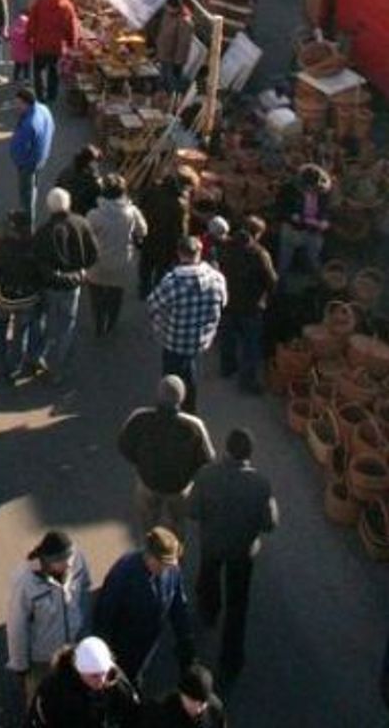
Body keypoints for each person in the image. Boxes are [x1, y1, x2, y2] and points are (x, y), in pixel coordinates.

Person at [187, 426, 278, 683]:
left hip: (212, 543)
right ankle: (231, 659)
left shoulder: (206, 475)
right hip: (242, 550)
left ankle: (208, 610)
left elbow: (192, 511)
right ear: (250, 454)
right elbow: (269, 523)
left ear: (226, 448)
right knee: (238, 604)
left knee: (209, 578)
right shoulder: (260, 483)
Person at [94, 528, 195, 691]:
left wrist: (186, 643)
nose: (165, 568)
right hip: (124, 647)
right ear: (148, 555)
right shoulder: (124, 572)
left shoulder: (172, 570)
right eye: (162, 563)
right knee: (127, 687)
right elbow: (105, 613)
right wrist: (105, 654)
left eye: (169, 564)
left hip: (149, 645)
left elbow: (178, 607)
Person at [5, 530, 92, 711]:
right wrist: (20, 665)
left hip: (73, 650)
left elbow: (84, 592)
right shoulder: (25, 583)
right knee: (40, 703)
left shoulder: (78, 561)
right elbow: (17, 628)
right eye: (62, 560)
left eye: (70, 557)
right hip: (43, 659)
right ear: (48, 560)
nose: (69, 564)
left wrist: (85, 635)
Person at [118, 376, 215, 537]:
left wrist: (140, 464)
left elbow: (124, 445)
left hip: (148, 482)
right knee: (178, 522)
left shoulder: (140, 417)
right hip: (179, 487)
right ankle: (175, 552)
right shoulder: (194, 425)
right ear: (182, 398)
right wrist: (189, 474)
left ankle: (151, 549)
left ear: (158, 394)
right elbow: (208, 457)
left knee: (149, 521)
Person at [147, 237, 227, 414]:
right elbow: (223, 302)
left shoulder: (172, 282)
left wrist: (160, 322)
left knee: (173, 375)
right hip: (201, 338)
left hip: (173, 339)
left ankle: (173, 407)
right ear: (200, 253)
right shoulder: (217, 279)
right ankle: (190, 407)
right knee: (191, 367)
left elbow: (153, 305)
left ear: (179, 253)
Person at [31, 187, 98, 383]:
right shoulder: (81, 224)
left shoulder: (43, 232)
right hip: (73, 283)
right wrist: (82, 270)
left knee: (46, 321)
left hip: (50, 285)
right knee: (67, 325)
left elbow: (37, 262)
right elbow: (93, 254)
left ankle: (37, 356)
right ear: (68, 204)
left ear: (49, 207)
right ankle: (57, 369)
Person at [217, 216, 276, 392]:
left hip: (227, 301)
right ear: (257, 233)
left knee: (228, 337)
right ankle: (247, 381)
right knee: (250, 345)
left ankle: (227, 368)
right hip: (251, 305)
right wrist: (268, 297)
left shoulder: (225, 246)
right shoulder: (259, 253)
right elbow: (271, 280)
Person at [25, 638, 140, 728]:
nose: (101, 680)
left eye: (104, 673)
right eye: (94, 676)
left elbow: (132, 716)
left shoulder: (118, 684)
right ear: (79, 671)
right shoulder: (54, 690)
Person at [86, 174, 147, 337]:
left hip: (97, 264)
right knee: (116, 297)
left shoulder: (94, 214)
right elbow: (143, 231)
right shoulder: (132, 212)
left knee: (96, 298)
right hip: (122, 262)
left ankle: (99, 324)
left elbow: (86, 236)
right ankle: (111, 323)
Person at [0, 211, 43, 384]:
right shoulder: (35, 245)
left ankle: (0, 362)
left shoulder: (3, 247)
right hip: (28, 297)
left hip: (6, 296)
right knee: (21, 332)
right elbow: (41, 272)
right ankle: (17, 363)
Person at [139, 167, 197, 298]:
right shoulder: (179, 203)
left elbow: (141, 204)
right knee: (161, 269)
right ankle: (157, 294)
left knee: (146, 265)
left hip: (148, 234)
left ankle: (144, 290)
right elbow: (182, 230)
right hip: (166, 243)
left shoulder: (153, 188)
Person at [26, 0, 79, 105]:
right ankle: (52, 94)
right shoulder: (67, 4)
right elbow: (71, 26)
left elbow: (32, 21)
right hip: (57, 45)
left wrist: (28, 37)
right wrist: (72, 42)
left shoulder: (40, 1)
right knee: (53, 70)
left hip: (40, 42)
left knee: (38, 70)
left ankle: (39, 94)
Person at [9, 86, 55, 231]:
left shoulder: (29, 124)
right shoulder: (43, 109)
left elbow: (21, 148)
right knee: (32, 186)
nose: (15, 107)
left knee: (27, 193)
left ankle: (28, 226)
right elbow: (52, 127)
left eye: (18, 103)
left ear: (26, 103)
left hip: (28, 164)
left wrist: (19, 161)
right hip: (40, 158)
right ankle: (24, 215)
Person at [274, 162, 332, 277]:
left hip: (314, 230)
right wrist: (292, 217)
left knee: (315, 258)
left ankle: (317, 280)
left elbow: (326, 210)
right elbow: (281, 208)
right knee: (284, 260)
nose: (310, 189)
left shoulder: (324, 192)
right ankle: (280, 280)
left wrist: (325, 221)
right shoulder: (288, 189)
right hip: (292, 228)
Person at [140, 665, 226, 727]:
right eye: (193, 702)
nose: (198, 709)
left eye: (202, 704)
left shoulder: (215, 709)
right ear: (182, 695)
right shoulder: (160, 712)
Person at [154, 0, 194, 94]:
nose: (166, 9)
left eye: (169, 7)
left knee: (172, 85)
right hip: (164, 55)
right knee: (163, 81)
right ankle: (163, 98)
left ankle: (173, 101)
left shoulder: (184, 21)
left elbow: (183, 44)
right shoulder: (167, 14)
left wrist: (178, 63)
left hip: (173, 60)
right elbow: (163, 31)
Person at [8, 10, 33, 83]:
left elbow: (10, 35)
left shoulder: (15, 23)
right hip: (26, 51)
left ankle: (15, 78)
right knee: (26, 65)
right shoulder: (28, 24)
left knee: (17, 65)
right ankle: (26, 78)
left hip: (16, 51)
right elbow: (30, 38)